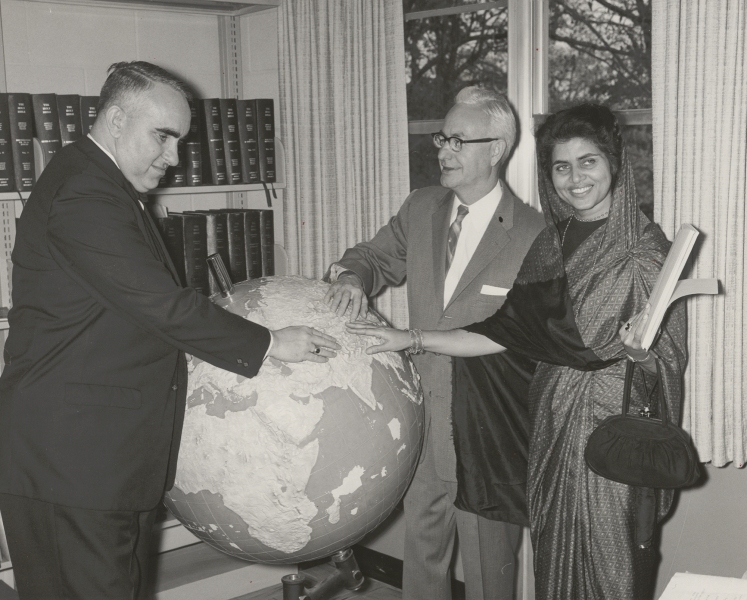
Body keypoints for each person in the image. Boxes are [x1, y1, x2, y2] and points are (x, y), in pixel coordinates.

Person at [0, 61, 339, 599]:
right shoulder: (85, 193)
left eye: (180, 141)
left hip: (100, 461)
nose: (174, 158)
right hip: (71, 465)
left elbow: (131, 310)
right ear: (115, 119)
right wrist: (273, 342)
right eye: (163, 136)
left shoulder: (101, 184)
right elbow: (159, 303)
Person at [347, 104, 688, 599]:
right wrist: (410, 339)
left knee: (608, 560)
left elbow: (661, 351)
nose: (575, 179)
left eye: (588, 162)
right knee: (555, 557)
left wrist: (643, 354)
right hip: (549, 423)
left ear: (614, 163)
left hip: (607, 430)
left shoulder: (642, 247)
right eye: (561, 166)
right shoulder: (554, 240)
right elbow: (507, 330)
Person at [324, 86, 545, 600]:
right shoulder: (422, 208)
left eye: (457, 141)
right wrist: (352, 278)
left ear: (496, 149)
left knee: (493, 572)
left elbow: (525, 337)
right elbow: (371, 257)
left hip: (488, 434)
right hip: (422, 423)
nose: (442, 150)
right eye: (441, 138)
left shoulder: (535, 233)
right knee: (422, 563)